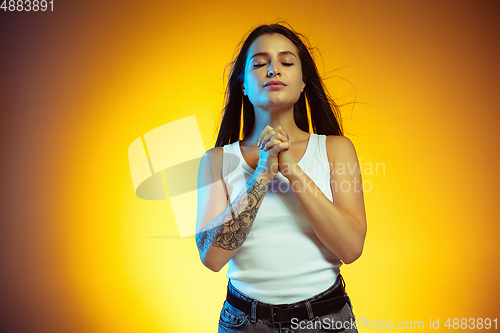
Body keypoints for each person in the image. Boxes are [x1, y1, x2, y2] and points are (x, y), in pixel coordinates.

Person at [196, 22, 367, 333]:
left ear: (303, 82)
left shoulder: (335, 150)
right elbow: (213, 257)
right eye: (260, 63)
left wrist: (291, 170)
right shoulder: (217, 161)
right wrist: (262, 174)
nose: (273, 69)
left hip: (326, 320)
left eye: (286, 62)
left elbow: (351, 248)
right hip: (244, 323)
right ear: (244, 84)